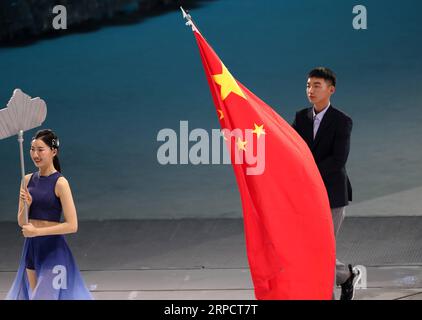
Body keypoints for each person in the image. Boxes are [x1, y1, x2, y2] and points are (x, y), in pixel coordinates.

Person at [292, 67, 359, 300]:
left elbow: (338, 160)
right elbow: (292, 148)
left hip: (332, 194)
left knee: (320, 251)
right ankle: (346, 276)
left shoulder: (342, 121)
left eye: (316, 86)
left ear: (331, 90)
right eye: (308, 85)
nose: (310, 90)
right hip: (306, 195)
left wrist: (309, 172)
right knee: (310, 248)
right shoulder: (301, 117)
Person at [6, 129, 92, 300]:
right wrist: (27, 206)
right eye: (32, 149)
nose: (35, 154)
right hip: (31, 249)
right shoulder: (27, 180)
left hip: (53, 251)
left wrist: (37, 232)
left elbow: (72, 225)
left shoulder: (60, 183)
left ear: (53, 151)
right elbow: (22, 222)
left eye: (40, 149)